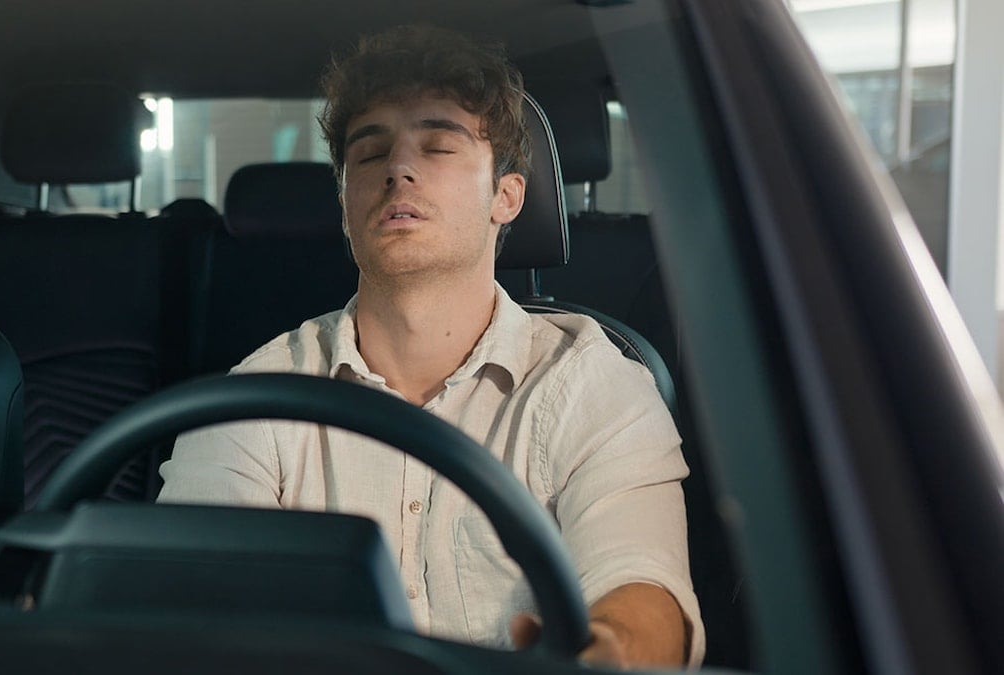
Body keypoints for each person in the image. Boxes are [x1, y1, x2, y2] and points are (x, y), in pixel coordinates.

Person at [158, 24, 704, 669]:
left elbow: (642, 583)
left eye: (439, 146)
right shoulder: (259, 394)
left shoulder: (593, 384)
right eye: (370, 154)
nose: (398, 168)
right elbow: (184, 594)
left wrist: (609, 649)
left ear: (507, 197)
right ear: (345, 205)